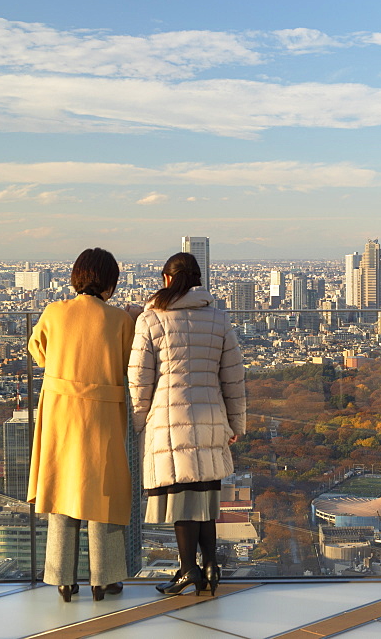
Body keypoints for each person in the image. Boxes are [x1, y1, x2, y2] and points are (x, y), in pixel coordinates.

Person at [129, 252, 246, 596]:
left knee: (181, 499)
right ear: (197, 280)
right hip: (211, 415)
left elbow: (139, 380)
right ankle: (211, 566)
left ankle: (188, 570)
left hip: (170, 418)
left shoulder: (151, 319)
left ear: (167, 279)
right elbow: (234, 378)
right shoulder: (218, 319)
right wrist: (235, 421)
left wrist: (138, 423)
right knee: (205, 498)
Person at [27, 248, 136, 602]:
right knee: (102, 493)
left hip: (60, 410)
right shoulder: (119, 319)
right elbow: (128, 363)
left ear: (77, 276)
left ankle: (62, 578)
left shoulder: (54, 312)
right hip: (101, 415)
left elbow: (38, 352)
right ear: (110, 282)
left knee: (63, 490)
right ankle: (103, 579)